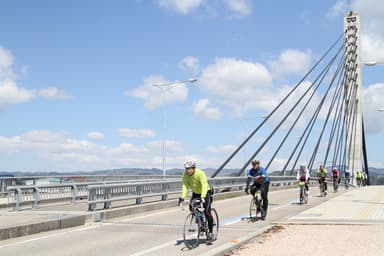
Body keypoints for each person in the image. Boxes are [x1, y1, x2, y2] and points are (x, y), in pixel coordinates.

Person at [178, 160, 215, 241]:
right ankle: (200, 220)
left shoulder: (200, 173)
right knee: (192, 208)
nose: (188, 171)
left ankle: (211, 232)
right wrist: (182, 197)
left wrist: (203, 197)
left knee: (207, 211)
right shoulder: (185, 175)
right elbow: (185, 186)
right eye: (186, 169)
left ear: (194, 168)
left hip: (206, 192)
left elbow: (204, 185)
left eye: (189, 169)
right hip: (196, 193)